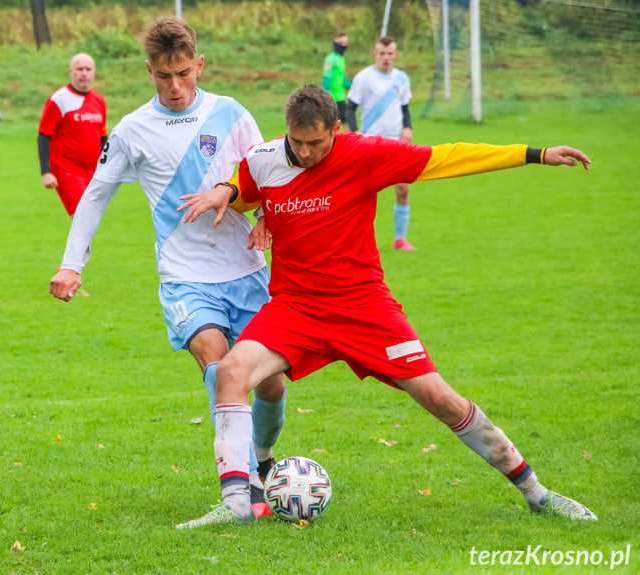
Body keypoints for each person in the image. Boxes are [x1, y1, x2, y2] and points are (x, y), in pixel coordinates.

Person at [175, 85, 596, 528]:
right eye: (295, 141)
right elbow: (249, 188)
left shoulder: (366, 155)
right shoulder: (265, 157)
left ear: (336, 130)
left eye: (315, 143)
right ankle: (240, 502)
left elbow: (446, 157)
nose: (303, 152)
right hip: (295, 307)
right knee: (231, 373)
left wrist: (534, 153)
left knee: (440, 398)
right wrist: (237, 197)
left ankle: (537, 493)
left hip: (363, 307)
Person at [48, 17, 287, 517]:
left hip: (245, 271)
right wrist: (73, 265)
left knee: (270, 384)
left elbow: (265, 176)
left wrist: (265, 218)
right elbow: (95, 195)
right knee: (220, 366)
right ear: (148, 71)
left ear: (198, 64)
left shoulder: (233, 114)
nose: (176, 87)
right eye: (164, 76)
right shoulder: (132, 129)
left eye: (184, 73)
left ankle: (263, 460)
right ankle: (242, 494)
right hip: (184, 277)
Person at [348, 36, 416, 250]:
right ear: (375, 54)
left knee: (403, 189)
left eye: (390, 53)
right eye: (382, 53)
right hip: (369, 143)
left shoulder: (402, 78)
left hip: (397, 143)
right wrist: (355, 132)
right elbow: (350, 108)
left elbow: (405, 108)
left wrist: (408, 128)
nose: (386, 57)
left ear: (395, 55)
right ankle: (356, 241)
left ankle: (400, 240)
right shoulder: (363, 78)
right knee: (362, 193)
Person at [37, 53, 109, 216]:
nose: (84, 73)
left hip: (92, 171)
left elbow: (103, 138)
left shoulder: (99, 101)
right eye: (79, 69)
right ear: (71, 71)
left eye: (88, 69)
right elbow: (43, 136)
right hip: (67, 170)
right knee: (83, 215)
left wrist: (110, 167)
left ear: (94, 72)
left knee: (90, 218)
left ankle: (82, 243)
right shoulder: (59, 99)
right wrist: (46, 172)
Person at [322, 32, 352, 130]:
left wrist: (352, 86)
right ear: (335, 43)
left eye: (346, 43)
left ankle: (348, 140)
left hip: (341, 96)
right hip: (332, 97)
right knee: (336, 122)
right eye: (341, 42)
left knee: (345, 119)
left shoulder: (341, 59)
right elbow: (327, 77)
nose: (344, 45)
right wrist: (324, 95)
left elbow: (341, 77)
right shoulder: (331, 58)